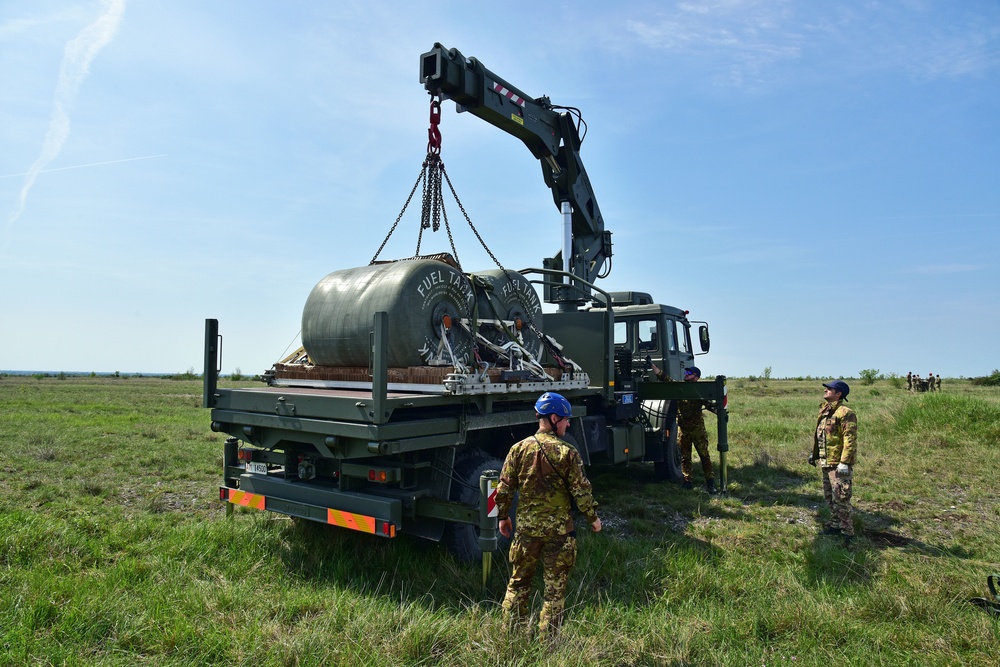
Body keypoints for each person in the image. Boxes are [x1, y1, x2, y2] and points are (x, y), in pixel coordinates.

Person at [495, 392, 601, 636]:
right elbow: (581, 491)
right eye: (566, 419)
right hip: (559, 534)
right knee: (554, 592)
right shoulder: (568, 453)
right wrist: (593, 519)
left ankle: (510, 636)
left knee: (518, 583)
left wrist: (503, 516)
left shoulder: (518, 449)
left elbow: (504, 488)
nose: (568, 423)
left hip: (526, 532)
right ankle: (548, 643)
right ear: (554, 418)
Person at [649, 362, 717, 493]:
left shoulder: (698, 391)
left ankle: (710, 483)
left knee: (704, 457)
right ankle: (687, 482)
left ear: (696, 378)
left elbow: (709, 405)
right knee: (685, 458)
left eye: (689, 373)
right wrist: (652, 366)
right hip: (683, 430)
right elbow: (665, 378)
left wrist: (720, 411)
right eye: (686, 373)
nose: (686, 375)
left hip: (698, 431)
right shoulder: (680, 388)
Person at [809, 380, 858, 544]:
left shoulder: (846, 413)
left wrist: (844, 462)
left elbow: (849, 440)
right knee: (829, 497)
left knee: (841, 498)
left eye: (830, 389)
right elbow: (821, 436)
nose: (826, 390)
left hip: (838, 464)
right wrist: (814, 454)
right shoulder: (825, 411)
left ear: (839, 393)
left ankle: (847, 532)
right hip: (826, 461)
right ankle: (835, 525)